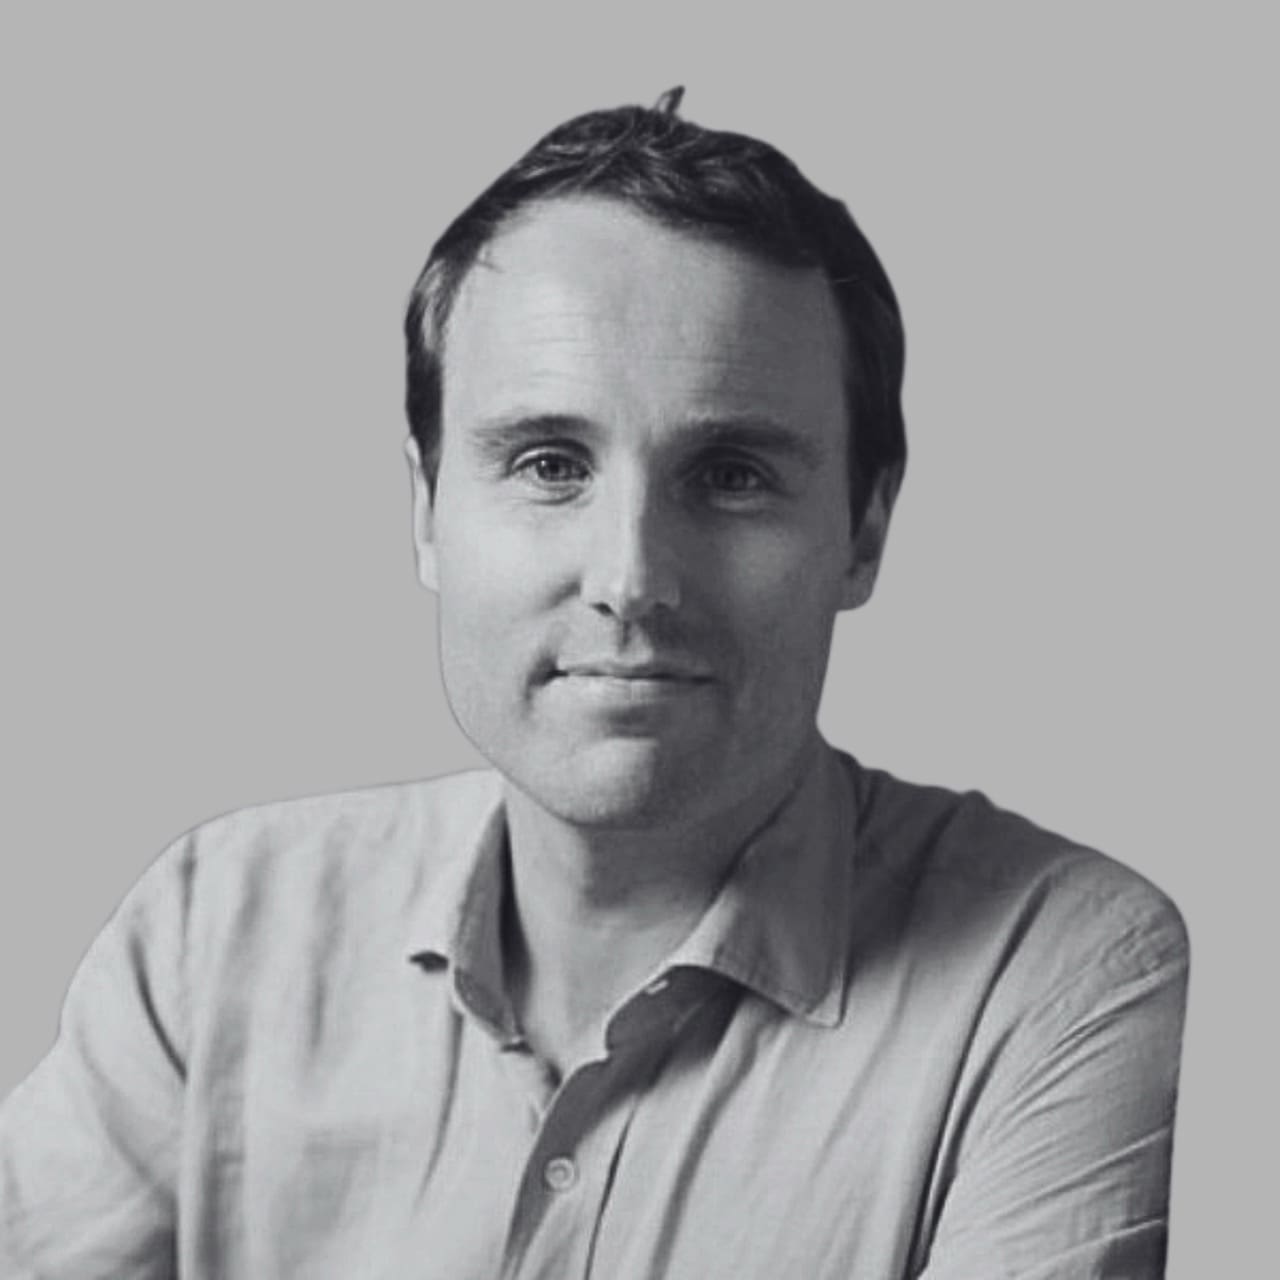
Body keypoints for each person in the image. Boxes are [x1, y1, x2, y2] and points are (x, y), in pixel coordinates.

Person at [0, 89, 1188, 1279]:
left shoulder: (1054, 970)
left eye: (728, 474)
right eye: (547, 462)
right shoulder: (212, 930)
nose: (629, 577)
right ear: (423, 509)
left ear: (863, 530)